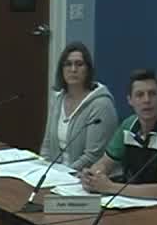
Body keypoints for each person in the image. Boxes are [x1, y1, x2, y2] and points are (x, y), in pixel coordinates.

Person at [78, 69, 157, 203]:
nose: (146, 100)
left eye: (152, 94)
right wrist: (93, 176)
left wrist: (110, 187)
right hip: (136, 202)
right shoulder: (128, 125)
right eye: (139, 95)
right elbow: (105, 163)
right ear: (130, 100)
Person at [37, 42, 118, 172]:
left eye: (79, 64)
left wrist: (63, 174)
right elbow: (47, 145)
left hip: (84, 175)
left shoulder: (101, 104)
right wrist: (43, 169)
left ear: (88, 69)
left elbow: (93, 156)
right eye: (68, 64)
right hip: (55, 174)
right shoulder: (58, 99)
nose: (73, 69)